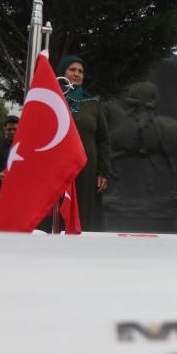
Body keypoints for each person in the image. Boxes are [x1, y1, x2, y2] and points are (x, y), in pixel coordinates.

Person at [57, 55, 112, 232]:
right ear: (62, 72)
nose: (77, 74)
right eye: (72, 69)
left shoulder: (92, 103)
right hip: (56, 167)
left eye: (80, 71)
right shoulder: (52, 99)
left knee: (83, 212)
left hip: (86, 169)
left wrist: (103, 171)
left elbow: (103, 138)